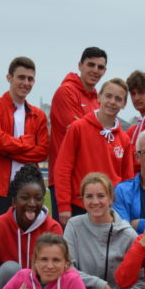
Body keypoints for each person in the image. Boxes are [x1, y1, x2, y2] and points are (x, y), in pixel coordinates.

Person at [0, 164, 63, 289]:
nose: (32, 203)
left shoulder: (53, 228)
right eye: (25, 198)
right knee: (10, 269)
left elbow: (58, 276)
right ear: (13, 201)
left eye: (38, 198)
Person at [0, 56, 50, 222]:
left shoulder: (38, 115)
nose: (26, 82)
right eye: (21, 77)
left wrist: (8, 150)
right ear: (9, 78)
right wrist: (26, 143)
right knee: (0, 241)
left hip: (29, 189)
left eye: (30, 79)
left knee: (28, 241)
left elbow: (42, 152)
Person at [54, 78, 133, 220]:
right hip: (80, 206)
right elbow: (63, 168)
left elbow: (127, 180)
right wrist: (64, 205)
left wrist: (125, 209)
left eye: (118, 99)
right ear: (99, 97)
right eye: (108, 96)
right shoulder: (78, 128)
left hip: (110, 210)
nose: (112, 102)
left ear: (124, 104)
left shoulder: (124, 139)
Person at [48, 47, 107, 201]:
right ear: (80, 65)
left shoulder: (97, 100)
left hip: (90, 180)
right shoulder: (66, 92)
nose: (95, 70)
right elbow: (80, 134)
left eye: (100, 67)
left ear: (105, 71)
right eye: (91, 65)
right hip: (67, 180)